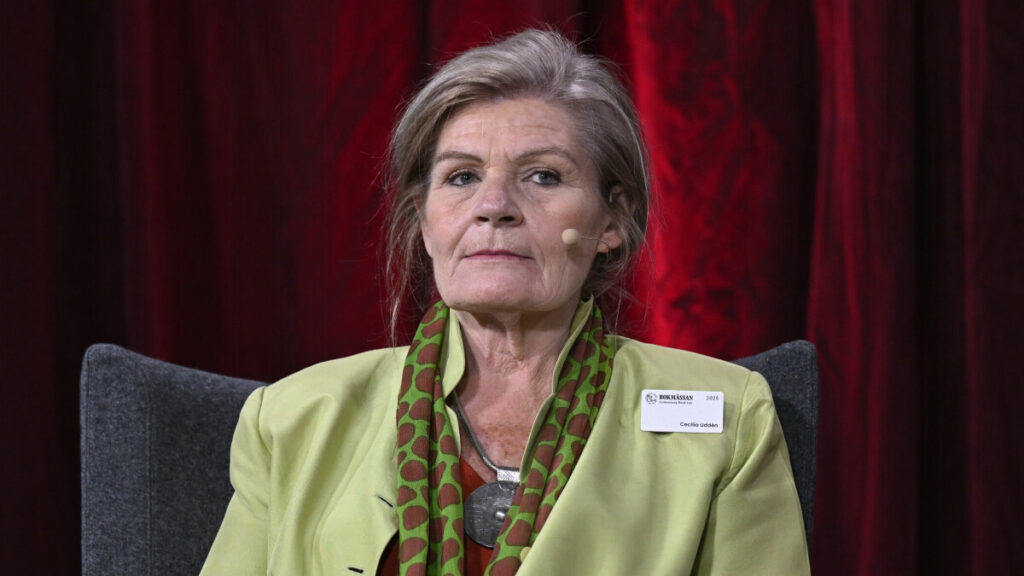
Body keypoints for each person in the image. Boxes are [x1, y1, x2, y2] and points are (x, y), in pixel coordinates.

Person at [201, 29, 810, 576]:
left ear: (611, 221)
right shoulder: (291, 419)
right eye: (462, 177)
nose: (494, 206)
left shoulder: (729, 418)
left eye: (543, 176)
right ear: (425, 221)